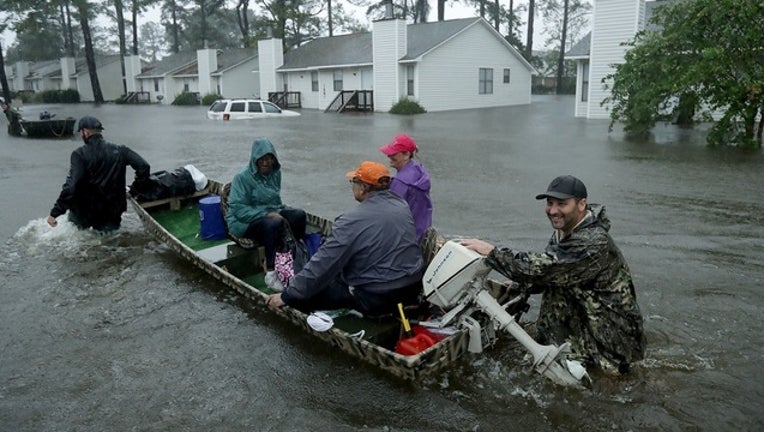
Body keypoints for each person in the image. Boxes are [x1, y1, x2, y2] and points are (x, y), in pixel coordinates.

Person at [460, 175, 646, 374]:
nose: (553, 211)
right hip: (586, 323)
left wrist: (492, 253)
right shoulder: (566, 230)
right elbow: (553, 276)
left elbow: (544, 269)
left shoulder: (592, 241)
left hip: (610, 341)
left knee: (609, 387)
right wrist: (517, 287)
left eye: (562, 204)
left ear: (581, 204)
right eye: (550, 203)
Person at [266, 161, 424, 316]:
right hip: (412, 287)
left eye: (354, 182)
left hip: (376, 297)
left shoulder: (351, 221)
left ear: (363, 188)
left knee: (307, 293)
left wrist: (288, 295)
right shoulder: (402, 206)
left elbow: (323, 264)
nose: (353, 186)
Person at [226, 137, 306, 291]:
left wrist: (279, 212)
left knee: (299, 215)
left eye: (269, 158)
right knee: (273, 224)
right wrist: (266, 214)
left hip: (271, 212)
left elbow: (276, 201)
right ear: (254, 159)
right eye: (261, 159)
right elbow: (238, 209)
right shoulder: (242, 178)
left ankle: (295, 258)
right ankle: (271, 272)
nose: (265, 162)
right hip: (243, 222)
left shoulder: (275, 174)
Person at [46, 116, 150, 232]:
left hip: (84, 211)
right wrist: (134, 190)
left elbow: (72, 186)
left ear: (85, 132)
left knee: (82, 241)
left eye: (81, 132)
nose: (81, 135)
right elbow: (144, 167)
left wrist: (55, 212)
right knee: (109, 241)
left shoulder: (79, 154)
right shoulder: (121, 151)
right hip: (112, 210)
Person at [379, 133, 433, 243]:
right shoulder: (418, 170)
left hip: (405, 239)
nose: (389, 156)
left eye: (393, 153)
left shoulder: (401, 182)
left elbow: (391, 214)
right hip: (422, 231)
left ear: (406, 154)